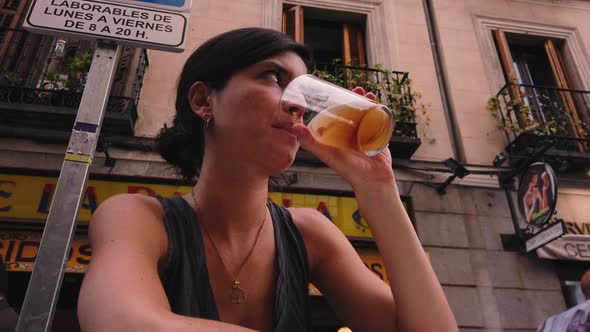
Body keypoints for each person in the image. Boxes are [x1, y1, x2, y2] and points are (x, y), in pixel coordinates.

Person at [77, 27, 457, 331]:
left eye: (305, 88)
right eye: (274, 77)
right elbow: (119, 320)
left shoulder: (311, 232)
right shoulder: (136, 217)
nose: (298, 104)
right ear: (203, 101)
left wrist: (378, 187)